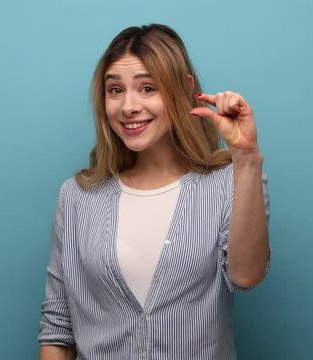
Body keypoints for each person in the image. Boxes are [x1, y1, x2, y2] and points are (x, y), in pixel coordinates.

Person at [38, 24, 271, 360]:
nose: (128, 106)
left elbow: (247, 275)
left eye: (147, 88)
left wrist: (247, 157)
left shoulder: (230, 183)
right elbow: (58, 326)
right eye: (115, 90)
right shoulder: (75, 197)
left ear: (184, 88)